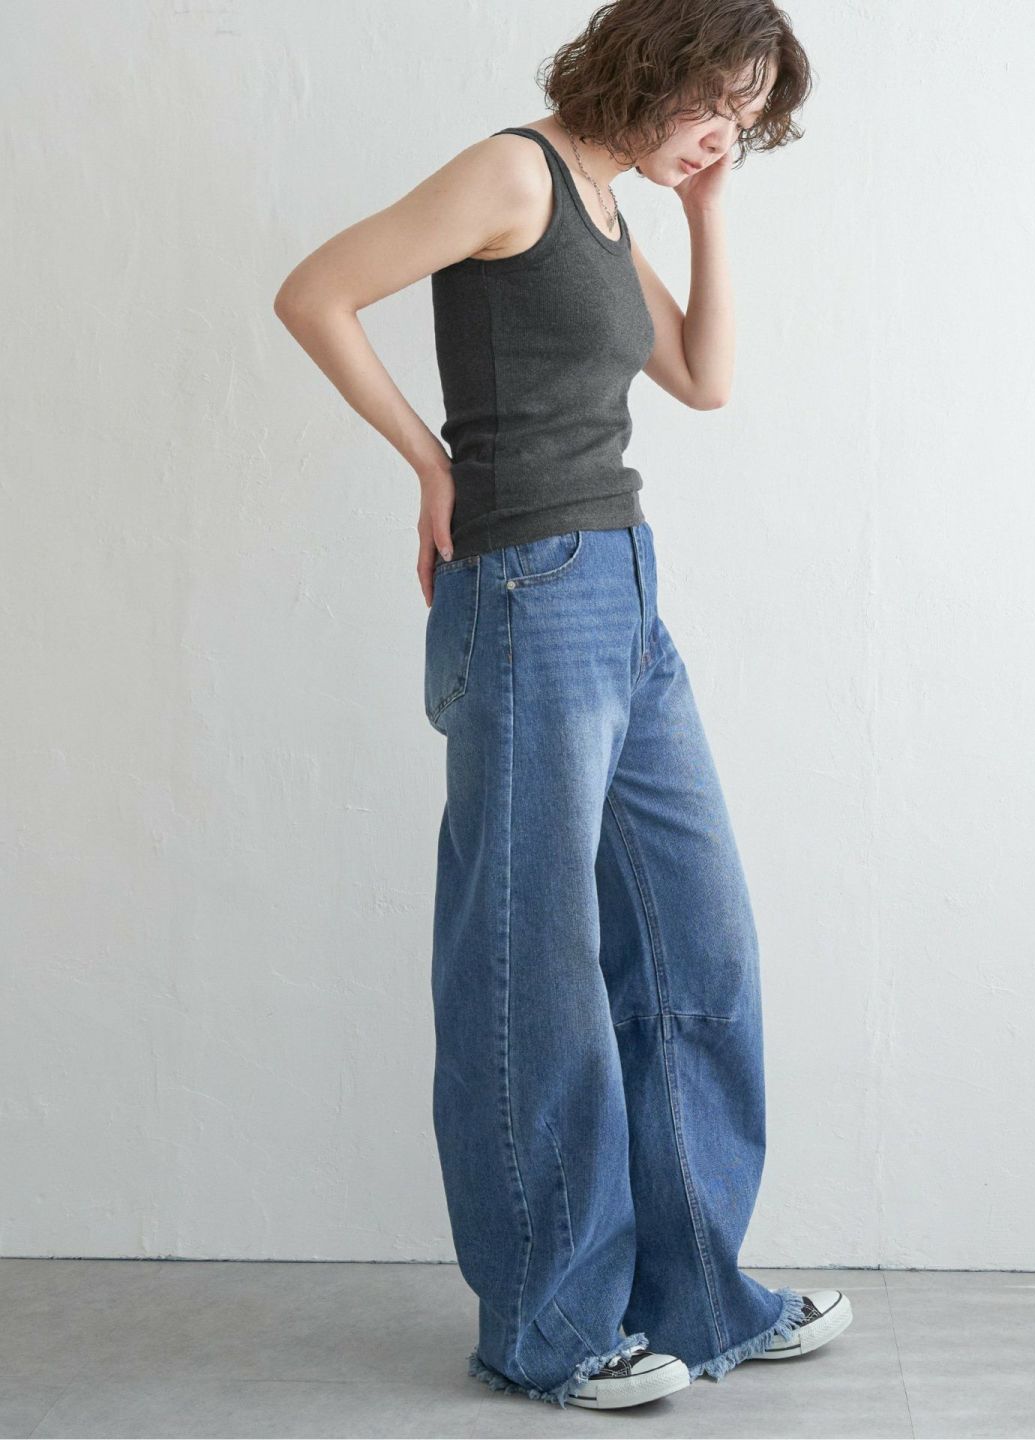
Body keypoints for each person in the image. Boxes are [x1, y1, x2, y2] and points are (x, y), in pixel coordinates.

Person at [274, 0, 852, 1412]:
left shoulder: (604, 204)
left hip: (625, 589)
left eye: (748, 120)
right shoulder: (514, 173)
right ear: (651, 65)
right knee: (530, 967)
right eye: (716, 105)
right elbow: (314, 292)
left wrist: (707, 206)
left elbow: (704, 381)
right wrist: (432, 466)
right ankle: (549, 1327)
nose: (725, 136)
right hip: (528, 590)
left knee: (696, 943)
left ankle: (699, 1295)